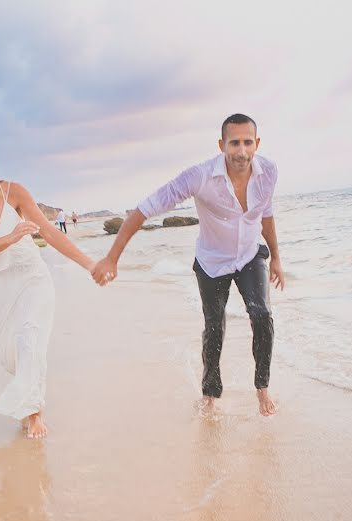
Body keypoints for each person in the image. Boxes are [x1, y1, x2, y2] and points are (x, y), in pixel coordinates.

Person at [92, 114, 285, 417]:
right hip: (211, 261)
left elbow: (267, 215)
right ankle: (210, 393)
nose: (242, 151)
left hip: (250, 254)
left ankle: (262, 388)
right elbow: (145, 209)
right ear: (222, 145)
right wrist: (112, 257)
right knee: (214, 326)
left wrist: (276, 257)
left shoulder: (269, 172)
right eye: (234, 143)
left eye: (248, 142)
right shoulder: (200, 176)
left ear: (257, 143)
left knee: (262, 315)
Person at [0, 133, 95, 438]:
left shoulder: (13, 191)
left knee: (30, 340)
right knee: (11, 354)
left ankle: (33, 413)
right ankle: (28, 400)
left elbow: (51, 234)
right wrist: (13, 236)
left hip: (31, 277)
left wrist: (90, 264)